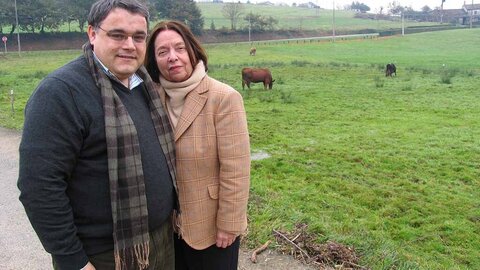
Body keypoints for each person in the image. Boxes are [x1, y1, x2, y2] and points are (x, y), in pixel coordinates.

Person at [17, 1, 178, 269]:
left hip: (161, 241)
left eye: (139, 37)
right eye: (117, 35)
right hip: (104, 254)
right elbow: (39, 187)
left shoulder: (144, 85)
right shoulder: (60, 93)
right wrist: (73, 260)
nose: (130, 45)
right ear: (92, 34)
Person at [144, 20, 251, 270]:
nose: (173, 57)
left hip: (212, 226)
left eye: (179, 48)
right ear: (153, 59)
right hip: (167, 228)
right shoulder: (151, 98)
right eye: (162, 52)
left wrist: (229, 224)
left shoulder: (223, 98)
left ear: (193, 50)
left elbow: (236, 169)